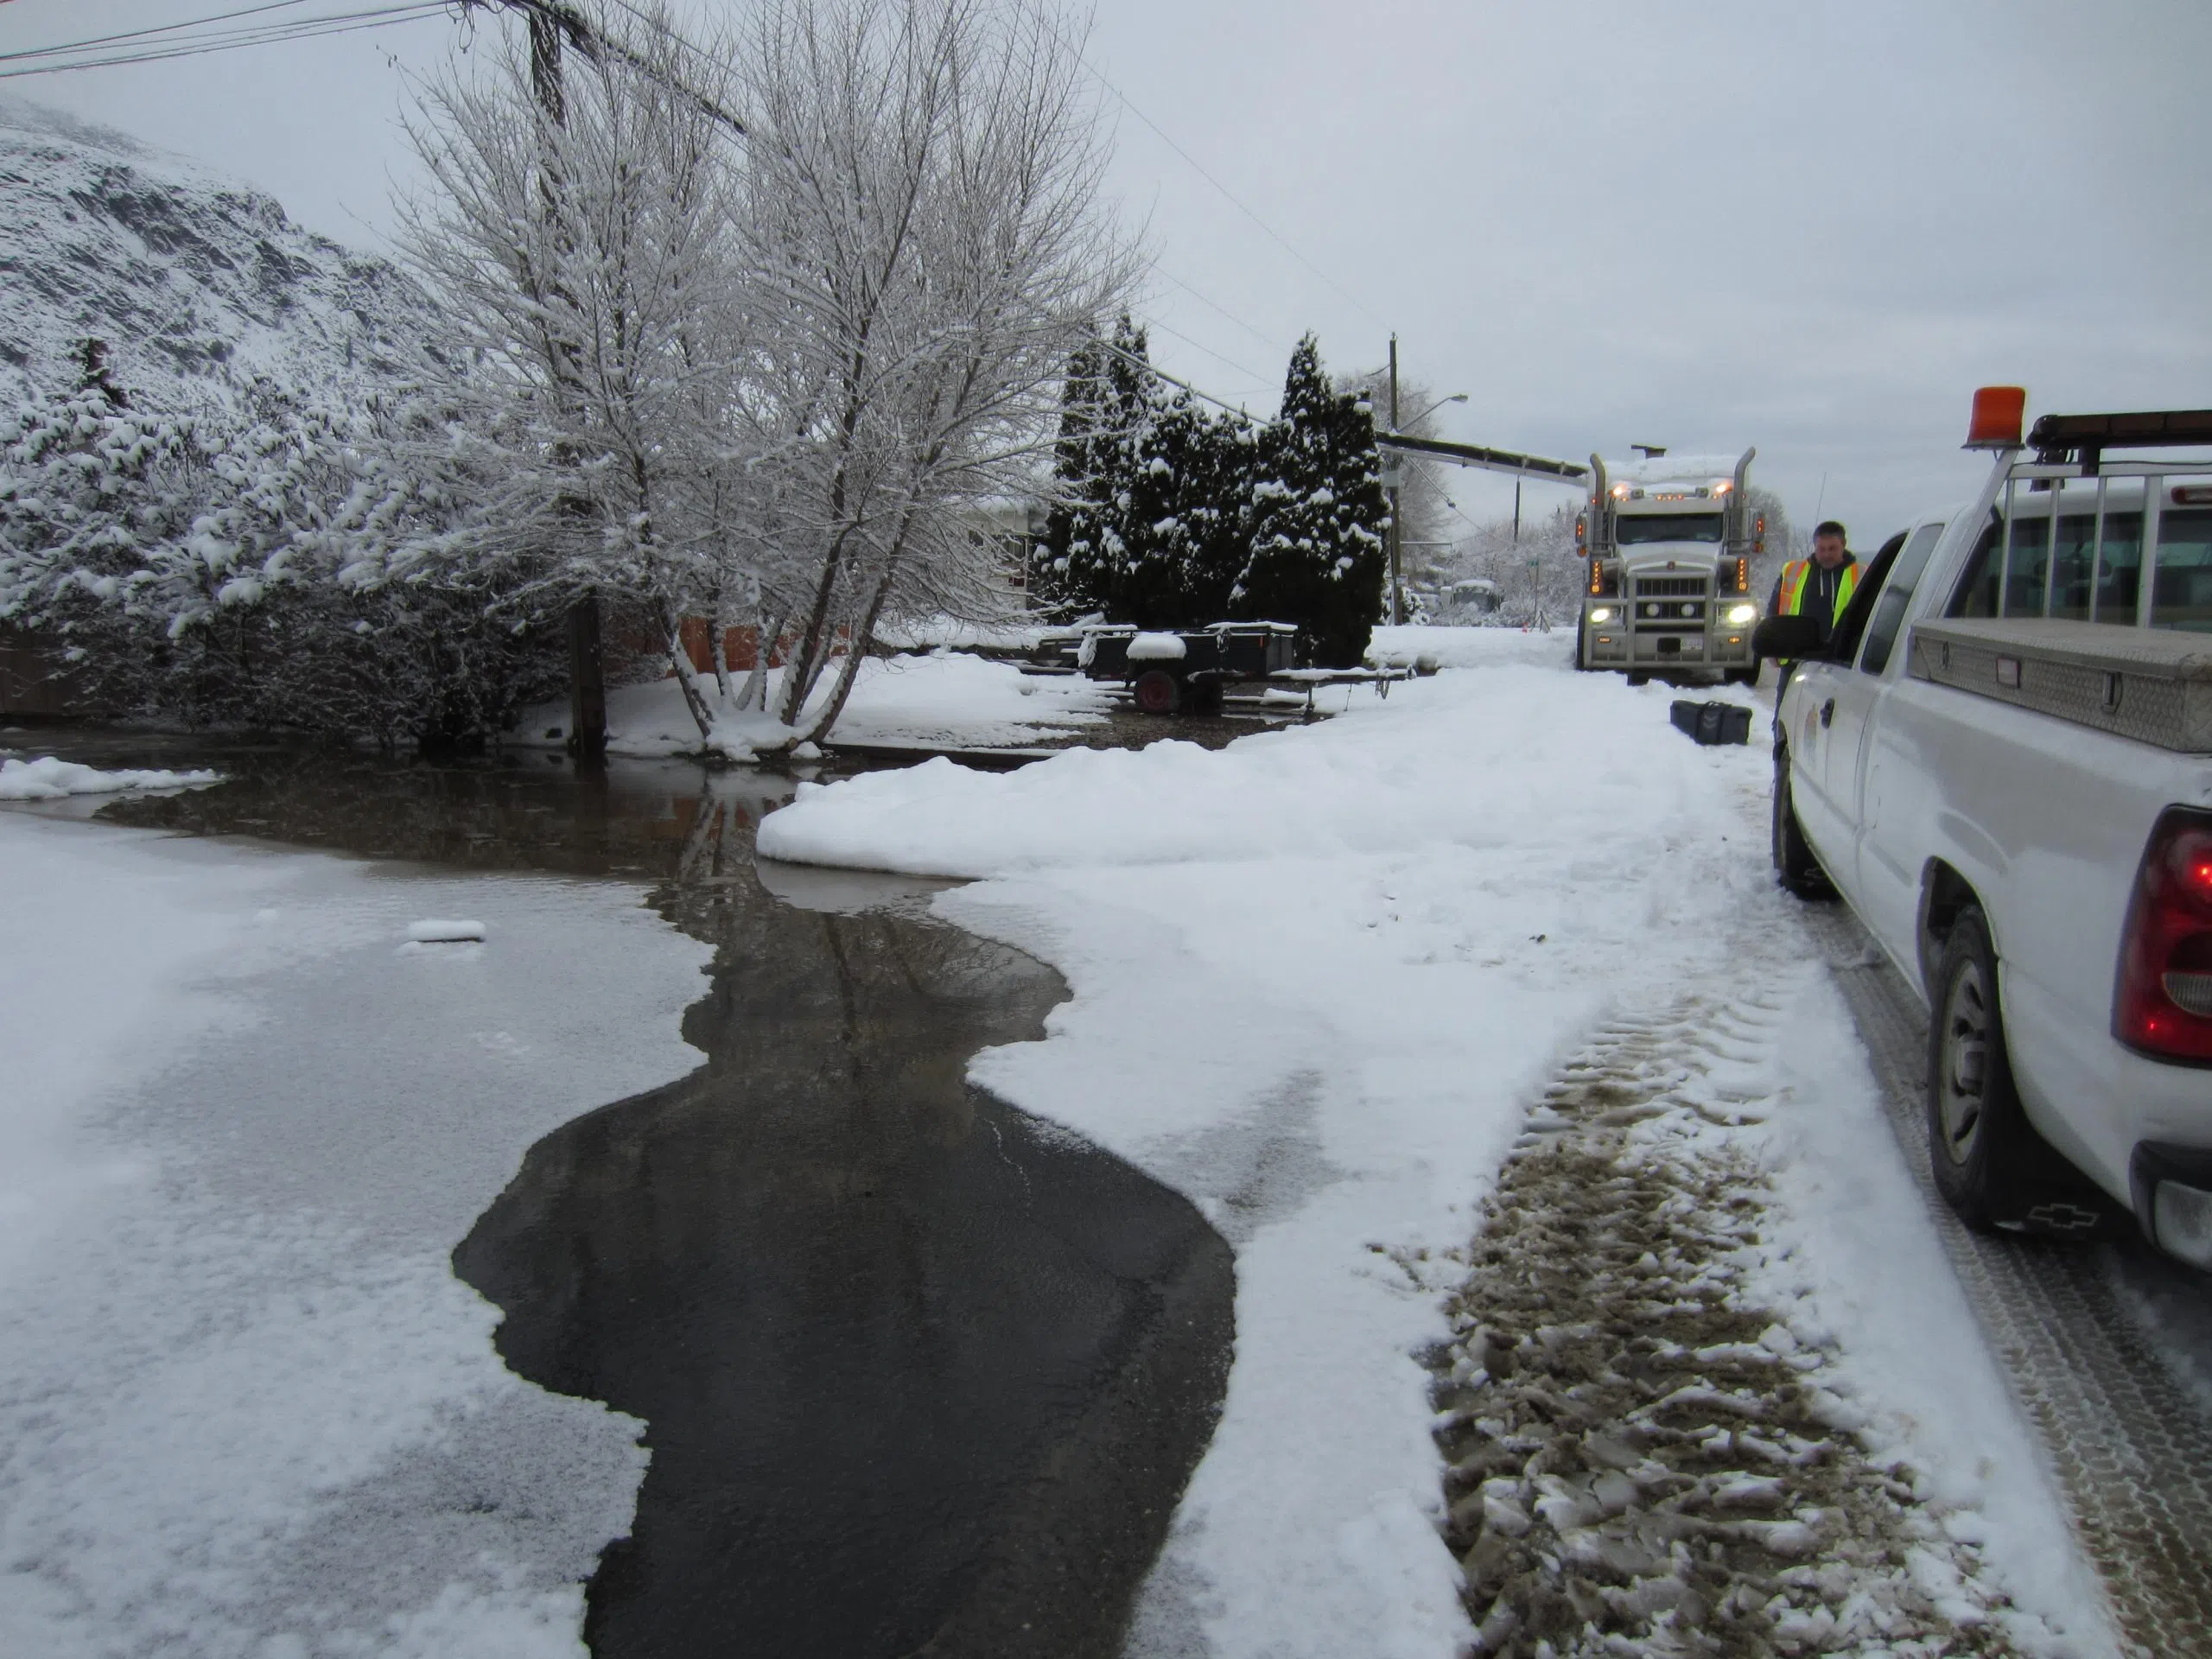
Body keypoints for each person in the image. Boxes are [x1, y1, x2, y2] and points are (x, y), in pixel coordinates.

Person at [1769, 520, 1859, 649]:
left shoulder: (1862, 575)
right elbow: (1773, 610)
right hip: (1795, 657)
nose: (1827, 554)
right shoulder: (1792, 571)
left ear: (1843, 545)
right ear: (1814, 546)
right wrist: (1772, 649)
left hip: (1841, 658)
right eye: (1821, 549)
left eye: (1832, 549)